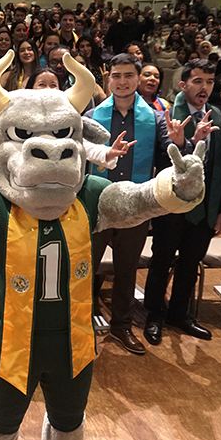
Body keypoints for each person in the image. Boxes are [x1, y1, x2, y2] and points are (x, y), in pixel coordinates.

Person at [85, 53, 166, 355]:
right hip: (98, 204)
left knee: (127, 270)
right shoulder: (92, 118)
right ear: (108, 79)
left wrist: (183, 143)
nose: (122, 81)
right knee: (86, 268)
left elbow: (166, 153)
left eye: (128, 75)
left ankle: (121, 326)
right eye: (116, 75)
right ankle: (81, 326)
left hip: (133, 206)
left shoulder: (154, 118)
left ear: (138, 78)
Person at [143, 59, 221, 345]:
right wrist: (184, 144)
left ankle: (180, 314)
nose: (205, 88)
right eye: (198, 81)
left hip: (204, 208)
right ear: (183, 84)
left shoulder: (216, 113)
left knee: (190, 264)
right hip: (171, 206)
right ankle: (154, 314)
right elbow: (159, 162)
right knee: (161, 261)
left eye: (210, 82)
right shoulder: (165, 114)